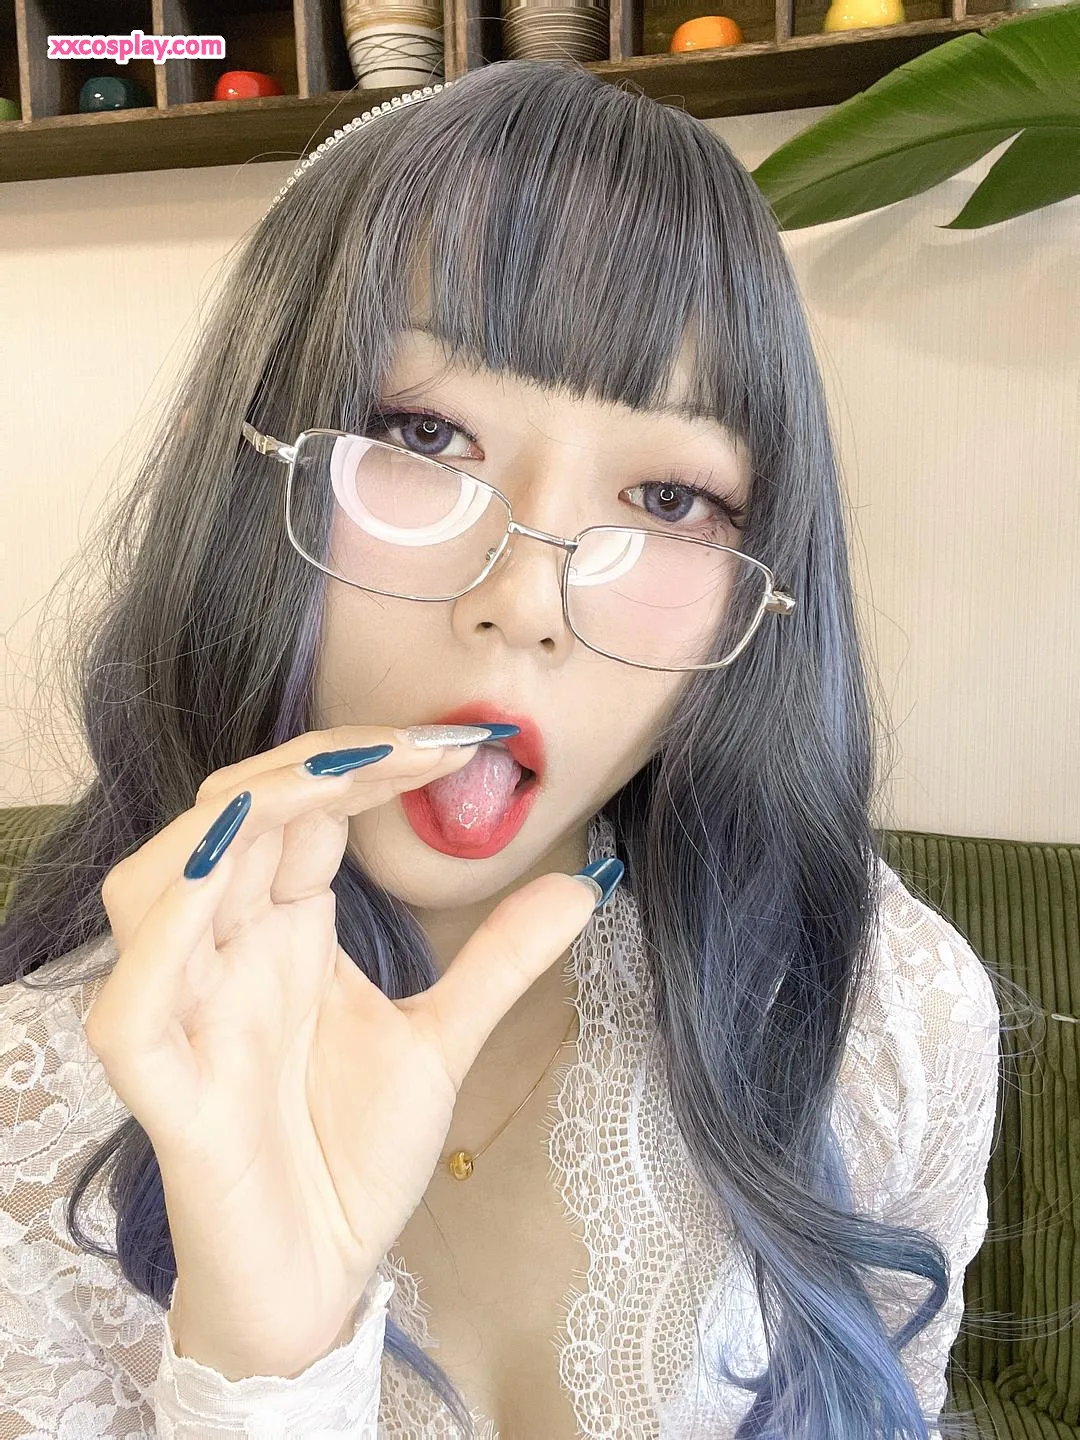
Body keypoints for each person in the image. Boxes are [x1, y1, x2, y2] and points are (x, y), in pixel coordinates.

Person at [0, 57, 1000, 1439]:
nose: (526, 598)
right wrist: (265, 1368)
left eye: (669, 499)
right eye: (425, 436)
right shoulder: (35, 1120)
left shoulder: (872, 1012)